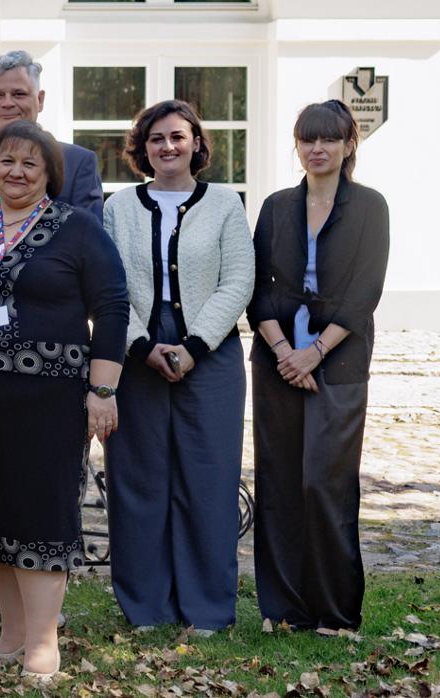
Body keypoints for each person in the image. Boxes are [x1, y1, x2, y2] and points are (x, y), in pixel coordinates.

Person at [0, 120, 127, 682]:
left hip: (49, 399)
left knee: (39, 509)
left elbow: (112, 308)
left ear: (49, 175)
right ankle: (12, 633)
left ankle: (43, 642)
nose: (15, 172)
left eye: (28, 164)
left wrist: (102, 391)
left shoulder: (78, 229)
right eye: (5, 161)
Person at [101, 100, 253, 634]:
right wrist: (144, 346)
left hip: (210, 355)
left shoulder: (225, 204)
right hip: (134, 351)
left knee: (207, 480)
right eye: (156, 138)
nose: (168, 147)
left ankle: (207, 607)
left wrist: (193, 345)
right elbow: (110, 284)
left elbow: (238, 280)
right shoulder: (118, 207)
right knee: (138, 479)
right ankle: (146, 607)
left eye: (178, 136)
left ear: (196, 144)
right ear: (142, 148)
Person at [248, 100, 389, 633]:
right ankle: (284, 611)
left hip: (339, 360)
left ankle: (335, 612)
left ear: (349, 145)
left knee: (324, 485)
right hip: (277, 360)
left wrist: (315, 352)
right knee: (280, 484)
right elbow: (257, 287)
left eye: (329, 139)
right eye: (308, 139)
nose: (317, 148)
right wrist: (285, 352)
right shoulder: (277, 206)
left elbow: (363, 293)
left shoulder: (370, 207)